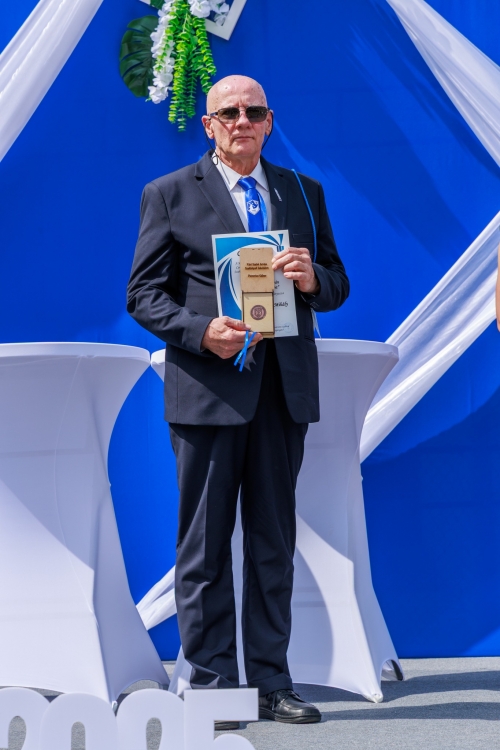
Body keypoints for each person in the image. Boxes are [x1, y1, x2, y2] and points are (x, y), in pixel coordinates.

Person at [127, 75, 349, 726]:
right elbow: (143, 295)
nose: (242, 121)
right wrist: (201, 333)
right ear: (209, 125)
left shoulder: (303, 192)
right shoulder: (169, 193)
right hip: (207, 393)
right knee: (204, 549)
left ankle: (272, 684)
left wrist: (313, 279)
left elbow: (338, 283)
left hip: (282, 393)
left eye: (254, 111)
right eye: (229, 112)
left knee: (273, 544)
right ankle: (215, 687)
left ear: (270, 122)